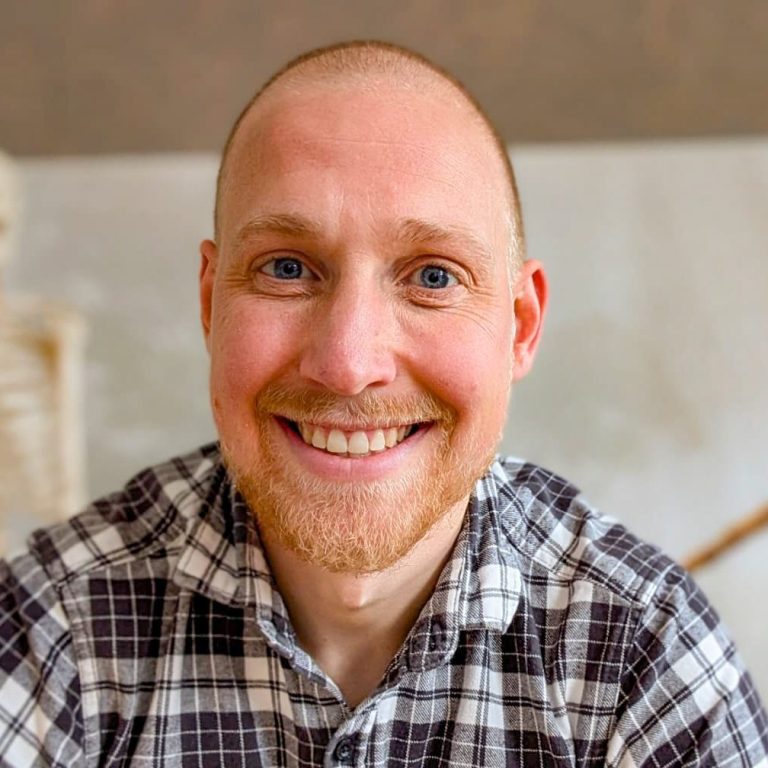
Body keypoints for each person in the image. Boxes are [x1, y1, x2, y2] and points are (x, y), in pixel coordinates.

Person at [1, 41, 766, 768]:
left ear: (521, 326)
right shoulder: (52, 630)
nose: (348, 365)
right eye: (287, 268)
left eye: (433, 276)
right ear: (210, 305)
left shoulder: (645, 656)